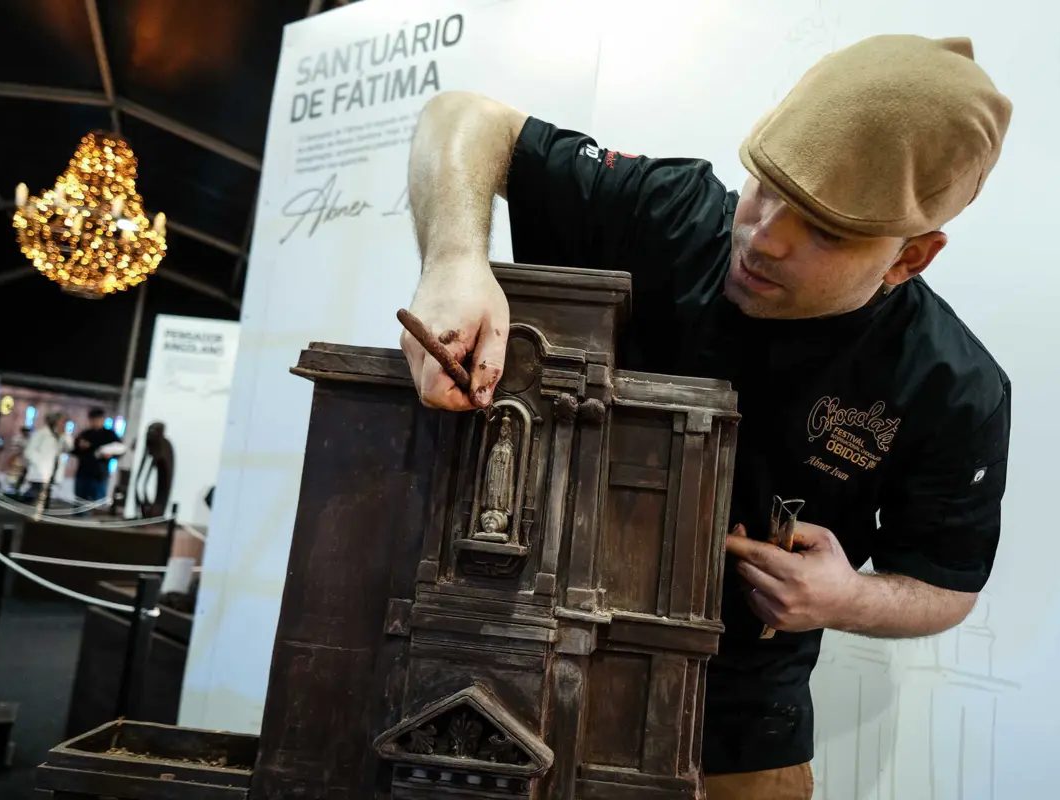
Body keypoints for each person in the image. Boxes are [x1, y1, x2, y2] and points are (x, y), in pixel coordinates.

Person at [399, 34, 1013, 800]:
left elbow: (947, 585)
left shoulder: (952, 385)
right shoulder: (674, 214)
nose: (763, 239)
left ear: (911, 258)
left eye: (823, 231)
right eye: (765, 188)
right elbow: (464, 117)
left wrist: (847, 599)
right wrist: (455, 259)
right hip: (503, 673)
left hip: (734, 739)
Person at [72, 407, 125, 503]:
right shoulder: (85, 434)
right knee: (80, 501)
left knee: (97, 502)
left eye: (97, 420)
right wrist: (80, 447)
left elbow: (120, 450)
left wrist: (111, 456)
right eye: (93, 420)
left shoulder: (109, 435)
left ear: (102, 419)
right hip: (83, 472)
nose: (95, 422)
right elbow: (74, 450)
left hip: (100, 474)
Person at [22, 411, 74, 500]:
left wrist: (65, 434)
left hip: (52, 473)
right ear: (55, 421)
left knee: (45, 499)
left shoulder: (61, 436)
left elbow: (69, 448)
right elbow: (28, 452)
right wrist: (40, 465)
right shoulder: (41, 433)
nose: (64, 424)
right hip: (40, 473)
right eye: (62, 421)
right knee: (34, 497)